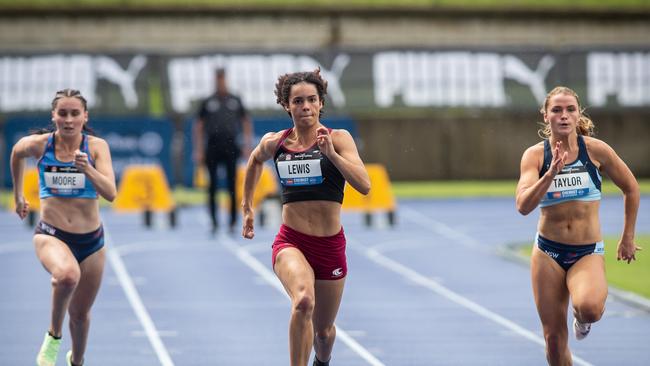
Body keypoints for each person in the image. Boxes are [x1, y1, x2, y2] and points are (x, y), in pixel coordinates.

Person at [241, 68, 370, 366]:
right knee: (303, 301)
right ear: (287, 105)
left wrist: (333, 157)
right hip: (292, 242)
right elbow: (254, 160)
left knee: (323, 334)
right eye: (298, 101)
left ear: (321, 103)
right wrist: (247, 207)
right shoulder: (277, 143)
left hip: (329, 246)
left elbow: (364, 185)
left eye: (312, 100)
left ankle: (321, 362)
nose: (306, 107)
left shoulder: (338, 139)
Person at [515, 86, 641, 365]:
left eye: (570, 109)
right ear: (545, 115)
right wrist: (550, 174)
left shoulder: (595, 150)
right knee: (553, 341)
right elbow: (523, 205)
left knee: (590, 309)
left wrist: (627, 237)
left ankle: (580, 320)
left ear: (578, 114)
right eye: (556, 110)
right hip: (548, 253)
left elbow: (631, 188)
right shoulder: (535, 157)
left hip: (586, 252)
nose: (563, 115)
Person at [11, 89, 117, 366]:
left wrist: (88, 170)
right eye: (62, 113)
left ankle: (77, 360)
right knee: (67, 276)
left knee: (80, 317)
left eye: (74, 114)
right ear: (53, 116)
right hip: (51, 235)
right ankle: (53, 335)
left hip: (92, 242)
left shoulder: (96, 147)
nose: (68, 120)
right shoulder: (41, 145)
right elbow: (16, 152)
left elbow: (111, 193)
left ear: (85, 117)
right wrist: (19, 194)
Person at [193, 67, 253, 234]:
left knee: (232, 185)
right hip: (211, 147)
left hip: (231, 147)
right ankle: (214, 221)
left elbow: (246, 121)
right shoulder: (208, 101)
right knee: (211, 186)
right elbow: (199, 125)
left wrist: (247, 145)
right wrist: (198, 149)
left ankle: (233, 221)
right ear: (215, 80)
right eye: (218, 79)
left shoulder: (235, 99)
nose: (220, 82)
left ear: (226, 79)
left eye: (222, 79)